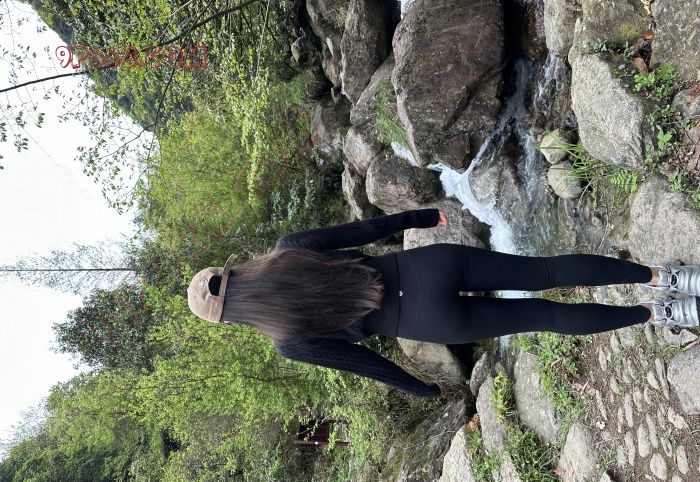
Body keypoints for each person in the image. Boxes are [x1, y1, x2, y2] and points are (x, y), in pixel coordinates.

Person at [187, 207, 700, 398]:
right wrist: (420, 218)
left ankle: (660, 313)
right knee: (544, 271)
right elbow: (362, 230)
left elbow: (366, 364)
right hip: (426, 267)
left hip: (430, 321)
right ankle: (664, 276)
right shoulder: (287, 250)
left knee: (544, 316)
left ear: (231, 319)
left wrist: (421, 388)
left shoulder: (287, 341)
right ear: (231, 273)